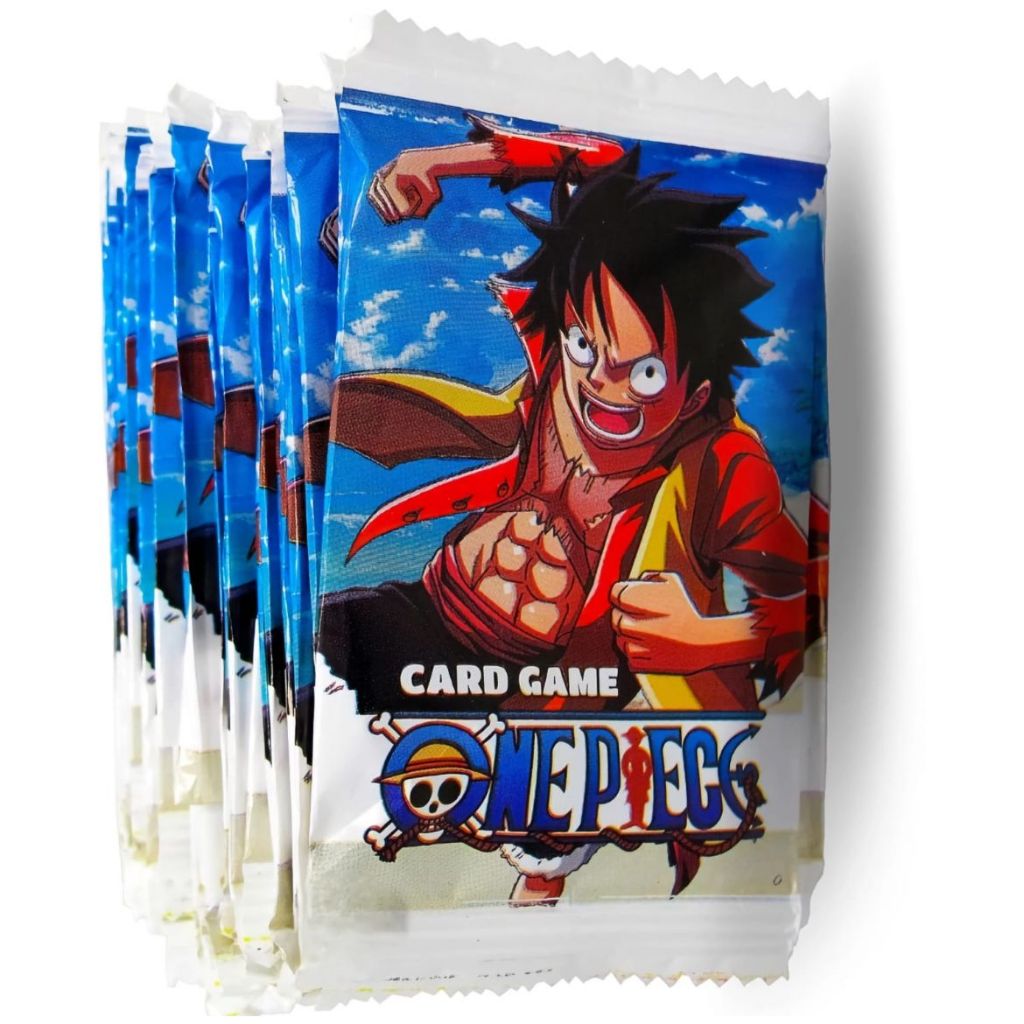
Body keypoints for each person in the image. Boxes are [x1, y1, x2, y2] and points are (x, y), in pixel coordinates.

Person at [319, 115, 823, 904]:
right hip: (432, 614)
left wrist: (705, 635)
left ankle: (540, 898)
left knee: (534, 841)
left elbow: (807, 600)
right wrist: (436, 162)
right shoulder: (556, 376)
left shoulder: (723, 466)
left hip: (564, 709)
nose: (604, 387)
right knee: (314, 696)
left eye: (645, 374)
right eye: (589, 349)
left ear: (696, 387)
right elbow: (602, 158)